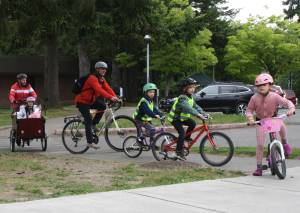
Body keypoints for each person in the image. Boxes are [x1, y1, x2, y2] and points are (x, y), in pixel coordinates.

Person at [246, 73, 295, 176]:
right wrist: (250, 118)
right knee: (260, 145)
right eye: (259, 86)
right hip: (260, 122)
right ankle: (259, 167)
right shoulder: (254, 98)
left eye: (264, 84)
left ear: (270, 85)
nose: (261, 87)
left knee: (281, 125)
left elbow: (287, 103)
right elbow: (249, 110)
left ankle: (284, 143)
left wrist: (291, 109)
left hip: (273, 119)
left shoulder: (274, 96)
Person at [75, 61, 120, 149]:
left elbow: (108, 88)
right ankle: (89, 142)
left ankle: (93, 124)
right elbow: (99, 90)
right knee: (88, 119)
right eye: (102, 69)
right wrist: (111, 98)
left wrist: (115, 97)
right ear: (97, 69)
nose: (104, 71)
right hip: (82, 101)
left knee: (102, 106)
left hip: (90, 101)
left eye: (105, 69)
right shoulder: (92, 78)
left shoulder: (102, 79)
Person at [168, 78, 207, 160]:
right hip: (175, 119)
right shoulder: (182, 98)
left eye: (194, 87)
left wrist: (204, 113)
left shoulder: (190, 98)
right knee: (182, 133)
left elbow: (196, 107)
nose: (193, 89)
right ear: (185, 88)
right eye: (190, 87)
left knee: (192, 123)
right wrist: (198, 115)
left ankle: (186, 139)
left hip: (182, 118)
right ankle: (178, 152)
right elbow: (188, 108)